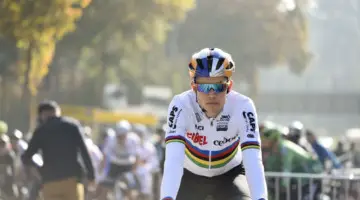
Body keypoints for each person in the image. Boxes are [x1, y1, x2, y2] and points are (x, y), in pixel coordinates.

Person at [160, 48, 267, 200]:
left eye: (218, 85)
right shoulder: (181, 105)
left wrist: (261, 198)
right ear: (194, 87)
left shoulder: (243, 107)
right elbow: (173, 159)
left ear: (229, 86)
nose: (211, 93)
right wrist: (167, 197)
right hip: (189, 178)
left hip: (230, 176)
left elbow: (253, 160)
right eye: (204, 86)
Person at [21, 100, 95, 200]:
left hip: (50, 182)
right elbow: (84, 151)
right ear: (57, 111)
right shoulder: (73, 126)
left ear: (42, 114)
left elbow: (26, 157)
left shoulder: (41, 130)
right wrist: (91, 175)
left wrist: (40, 169)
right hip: (72, 181)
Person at [261, 125, 323, 200]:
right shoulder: (274, 149)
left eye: (265, 140)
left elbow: (287, 167)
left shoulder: (285, 147)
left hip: (312, 177)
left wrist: (283, 185)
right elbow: (272, 166)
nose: (263, 143)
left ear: (273, 139)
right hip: (300, 181)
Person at [98, 120, 140, 199]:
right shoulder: (111, 138)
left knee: (130, 188)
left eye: (123, 135)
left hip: (128, 165)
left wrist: (134, 169)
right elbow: (105, 154)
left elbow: (137, 155)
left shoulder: (133, 139)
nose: (121, 137)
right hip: (114, 164)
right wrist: (102, 168)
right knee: (106, 187)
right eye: (119, 135)